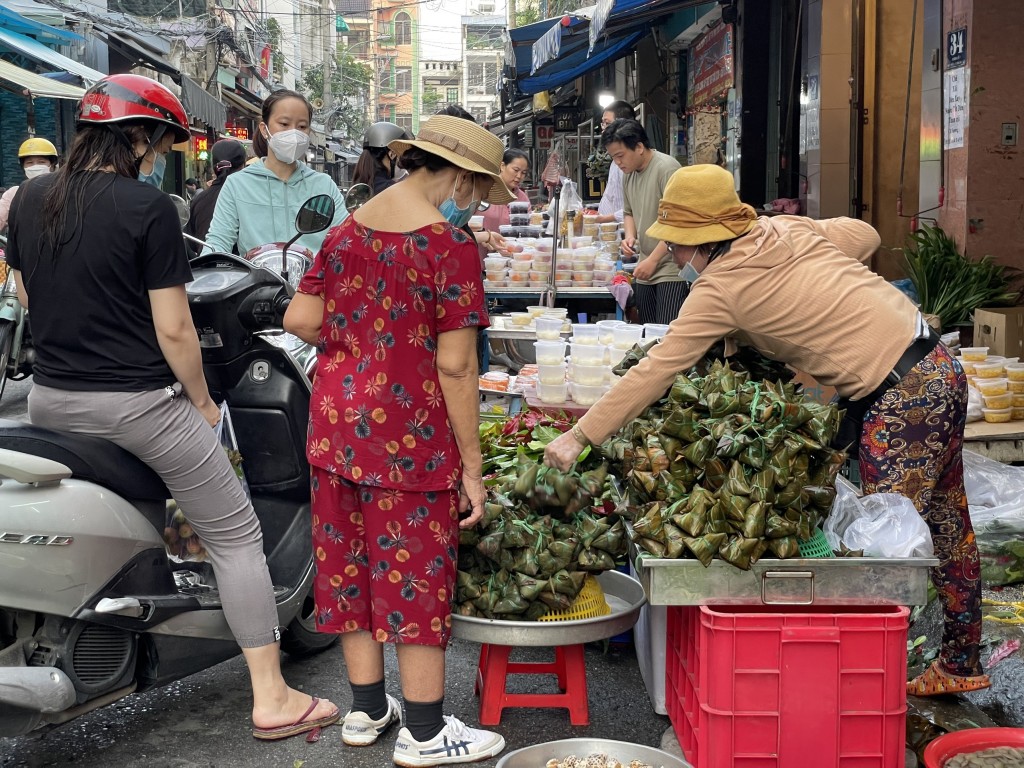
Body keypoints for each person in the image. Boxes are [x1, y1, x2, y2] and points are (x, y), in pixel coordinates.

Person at [544, 164, 989, 699]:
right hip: (938, 367)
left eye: (681, 246)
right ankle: (959, 660)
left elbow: (657, 369)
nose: (678, 257)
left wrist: (580, 437)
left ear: (704, 242)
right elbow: (866, 235)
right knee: (945, 520)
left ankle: (868, 692)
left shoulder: (719, 291)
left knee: (883, 551)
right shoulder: (785, 230)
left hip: (902, 400)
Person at [5, 73, 340, 740]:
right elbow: (177, 328)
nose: (159, 156)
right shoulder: (151, 209)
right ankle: (272, 696)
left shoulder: (28, 200)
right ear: (138, 138)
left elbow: (27, 294)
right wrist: (200, 401)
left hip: (49, 401)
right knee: (237, 535)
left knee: (159, 509)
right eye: (158, 143)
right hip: (133, 406)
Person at [282, 114, 512, 765]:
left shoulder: (347, 230)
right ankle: (427, 732)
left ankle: (365, 710)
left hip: (334, 431)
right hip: (409, 442)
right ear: (461, 175)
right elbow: (457, 367)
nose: (473, 200)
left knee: (349, 571)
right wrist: (473, 467)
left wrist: (364, 330)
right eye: (476, 187)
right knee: (415, 578)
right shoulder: (448, 245)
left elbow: (300, 316)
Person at [202, 89, 345, 256]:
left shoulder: (324, 184)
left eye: (302, 126)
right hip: (258, 281)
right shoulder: (237, 184)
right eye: (284, 124)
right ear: (264, 129)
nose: (294, 132)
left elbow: (343, 240)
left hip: (314, 281)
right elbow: (218, 242)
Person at [601, 119, 684, 325]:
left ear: (639, 147)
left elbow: (680, 223)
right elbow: (629, 212)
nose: (618, 163)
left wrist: (654, 260)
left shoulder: (667, 169)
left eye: (620, 156)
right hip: (645, 266)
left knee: (666, 334)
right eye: (613, 158)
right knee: (646, 331)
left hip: (671, 268)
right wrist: (630, 237)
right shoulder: (628, 175)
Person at [185, 139, 247, 252]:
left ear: (213, 167)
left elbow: (191, 243)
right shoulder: (249, 196)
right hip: (243, 266)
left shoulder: (199, 199)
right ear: (243, 165)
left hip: (206, 266)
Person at [0, 137, 60, 231]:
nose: (35, 166)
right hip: (23, 245)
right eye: (30, 163)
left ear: (52, 165)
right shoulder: (14, 193)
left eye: (41, 162)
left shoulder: (62, 190)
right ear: (23, 167)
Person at [593, 100, 635, 225]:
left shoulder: (631, 163)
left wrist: (605, 219)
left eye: (607, 123)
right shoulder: (614, 162)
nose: (603, 129)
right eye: (603, 123)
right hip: (611, 231)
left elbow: (635, 208)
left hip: (624, 231)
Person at [351, 121, 412, 196]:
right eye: (403, 156)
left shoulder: (359, 187)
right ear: (392, 154)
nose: (404, 163)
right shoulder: (391, 190)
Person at [480, 149, 530, 235]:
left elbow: (526, 226)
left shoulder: (522, 198)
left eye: (523, 173)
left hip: (511, 247)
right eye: (516, 170)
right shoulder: (484, 190)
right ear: (502, 166)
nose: (519, 176)